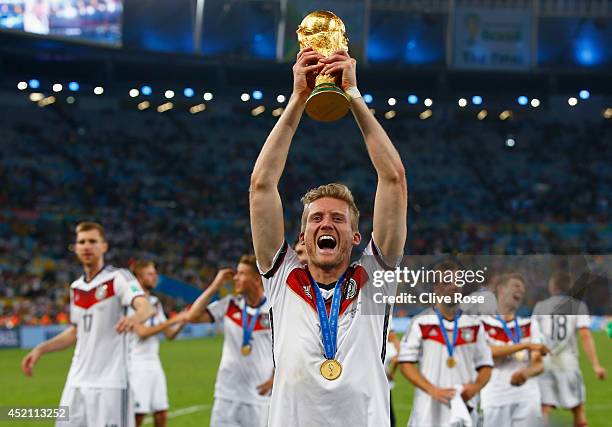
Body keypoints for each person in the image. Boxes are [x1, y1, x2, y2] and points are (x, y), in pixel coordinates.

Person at [249, 47, 407, 426]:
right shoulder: (283, 278)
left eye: (338, 219)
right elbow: (261, 186)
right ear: (301, 236)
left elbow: (394, 179)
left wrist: (352, 96)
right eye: (316, 218)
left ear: (355, 237)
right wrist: (298, 100)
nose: (326, 224)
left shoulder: (372, 278)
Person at [21, 222, 153, 427]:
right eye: (81, 242)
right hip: (77, 381)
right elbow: (76, 332)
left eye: (92, 241)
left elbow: (145, 307)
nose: (86, 246)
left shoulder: (118, 277)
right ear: (75, 247)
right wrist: (40, 349)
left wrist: (134, 318)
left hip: (111, 383)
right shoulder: (76, 287)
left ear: (104, 246)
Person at [399, 263, 493, 427]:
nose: (453, 286)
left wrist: (475, 387)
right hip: (428, 414)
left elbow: (486, 365)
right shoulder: (420, 323)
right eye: (447, 282)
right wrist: (432, 389)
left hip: (465, 411)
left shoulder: (474, 325)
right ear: (436, 288)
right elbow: (406, 363)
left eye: (457, 281)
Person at [186, 255, 273, 427]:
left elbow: (286, 350)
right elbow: (193, 316)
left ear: (256, 279)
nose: (235, 278)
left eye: (241, 274)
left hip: (258, 397)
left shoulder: (273, 310)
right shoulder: (229, 305)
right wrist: (215, 285)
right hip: (226, 395)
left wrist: (273, 380)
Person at [532, 271, 607, 427]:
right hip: (569, 365)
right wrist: (595, 365)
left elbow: (533, 338)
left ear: (552, 287)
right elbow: (585, 336)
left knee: (544, 408)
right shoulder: (578, 306)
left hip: (546, 364)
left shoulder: (540, 307)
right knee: (578, 409)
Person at [480, 273, 549, 427]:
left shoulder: (530, 325)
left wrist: (526, 373)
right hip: (494, 397)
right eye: (516, 286)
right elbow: (487, 352)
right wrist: (525, 345)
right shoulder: (482, 324)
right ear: (501, 289)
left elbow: (538, 363)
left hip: (527, 397)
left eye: (523, 290)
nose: (521, 291)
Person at [128, 260, 189, 427]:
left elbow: (169, 335)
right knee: (137, 416)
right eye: (150, 274)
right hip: (136, 365)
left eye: (155, 273)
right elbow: (142, 333)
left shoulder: (155, 302)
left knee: (161, 413)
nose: (155, 277)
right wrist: (172, 320)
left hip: (154, 363)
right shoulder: (132, 302)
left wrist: (182, 321)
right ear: (139, 278)